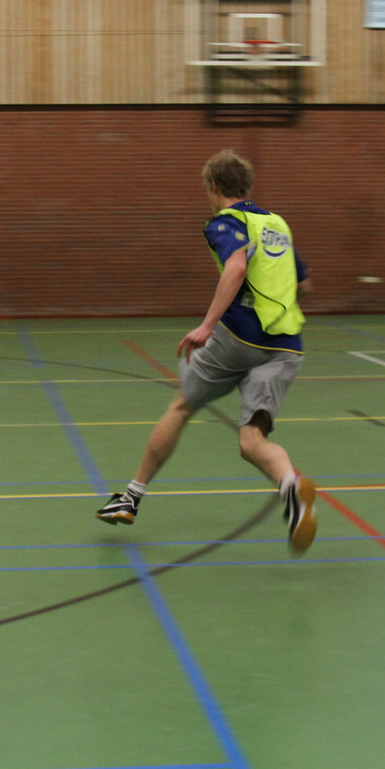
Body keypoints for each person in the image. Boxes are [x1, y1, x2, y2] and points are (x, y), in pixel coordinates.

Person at [95, 150, 319, 554]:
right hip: (286, 347)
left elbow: (236, 267)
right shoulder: (276, 224)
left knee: (181, 406)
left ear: (213, 186)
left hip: (238, 339)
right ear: (246, 185)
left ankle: (131, 497)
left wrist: (206, 325)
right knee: (252, 441)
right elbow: (304, 284)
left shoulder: (225, 222)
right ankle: (291, 487)